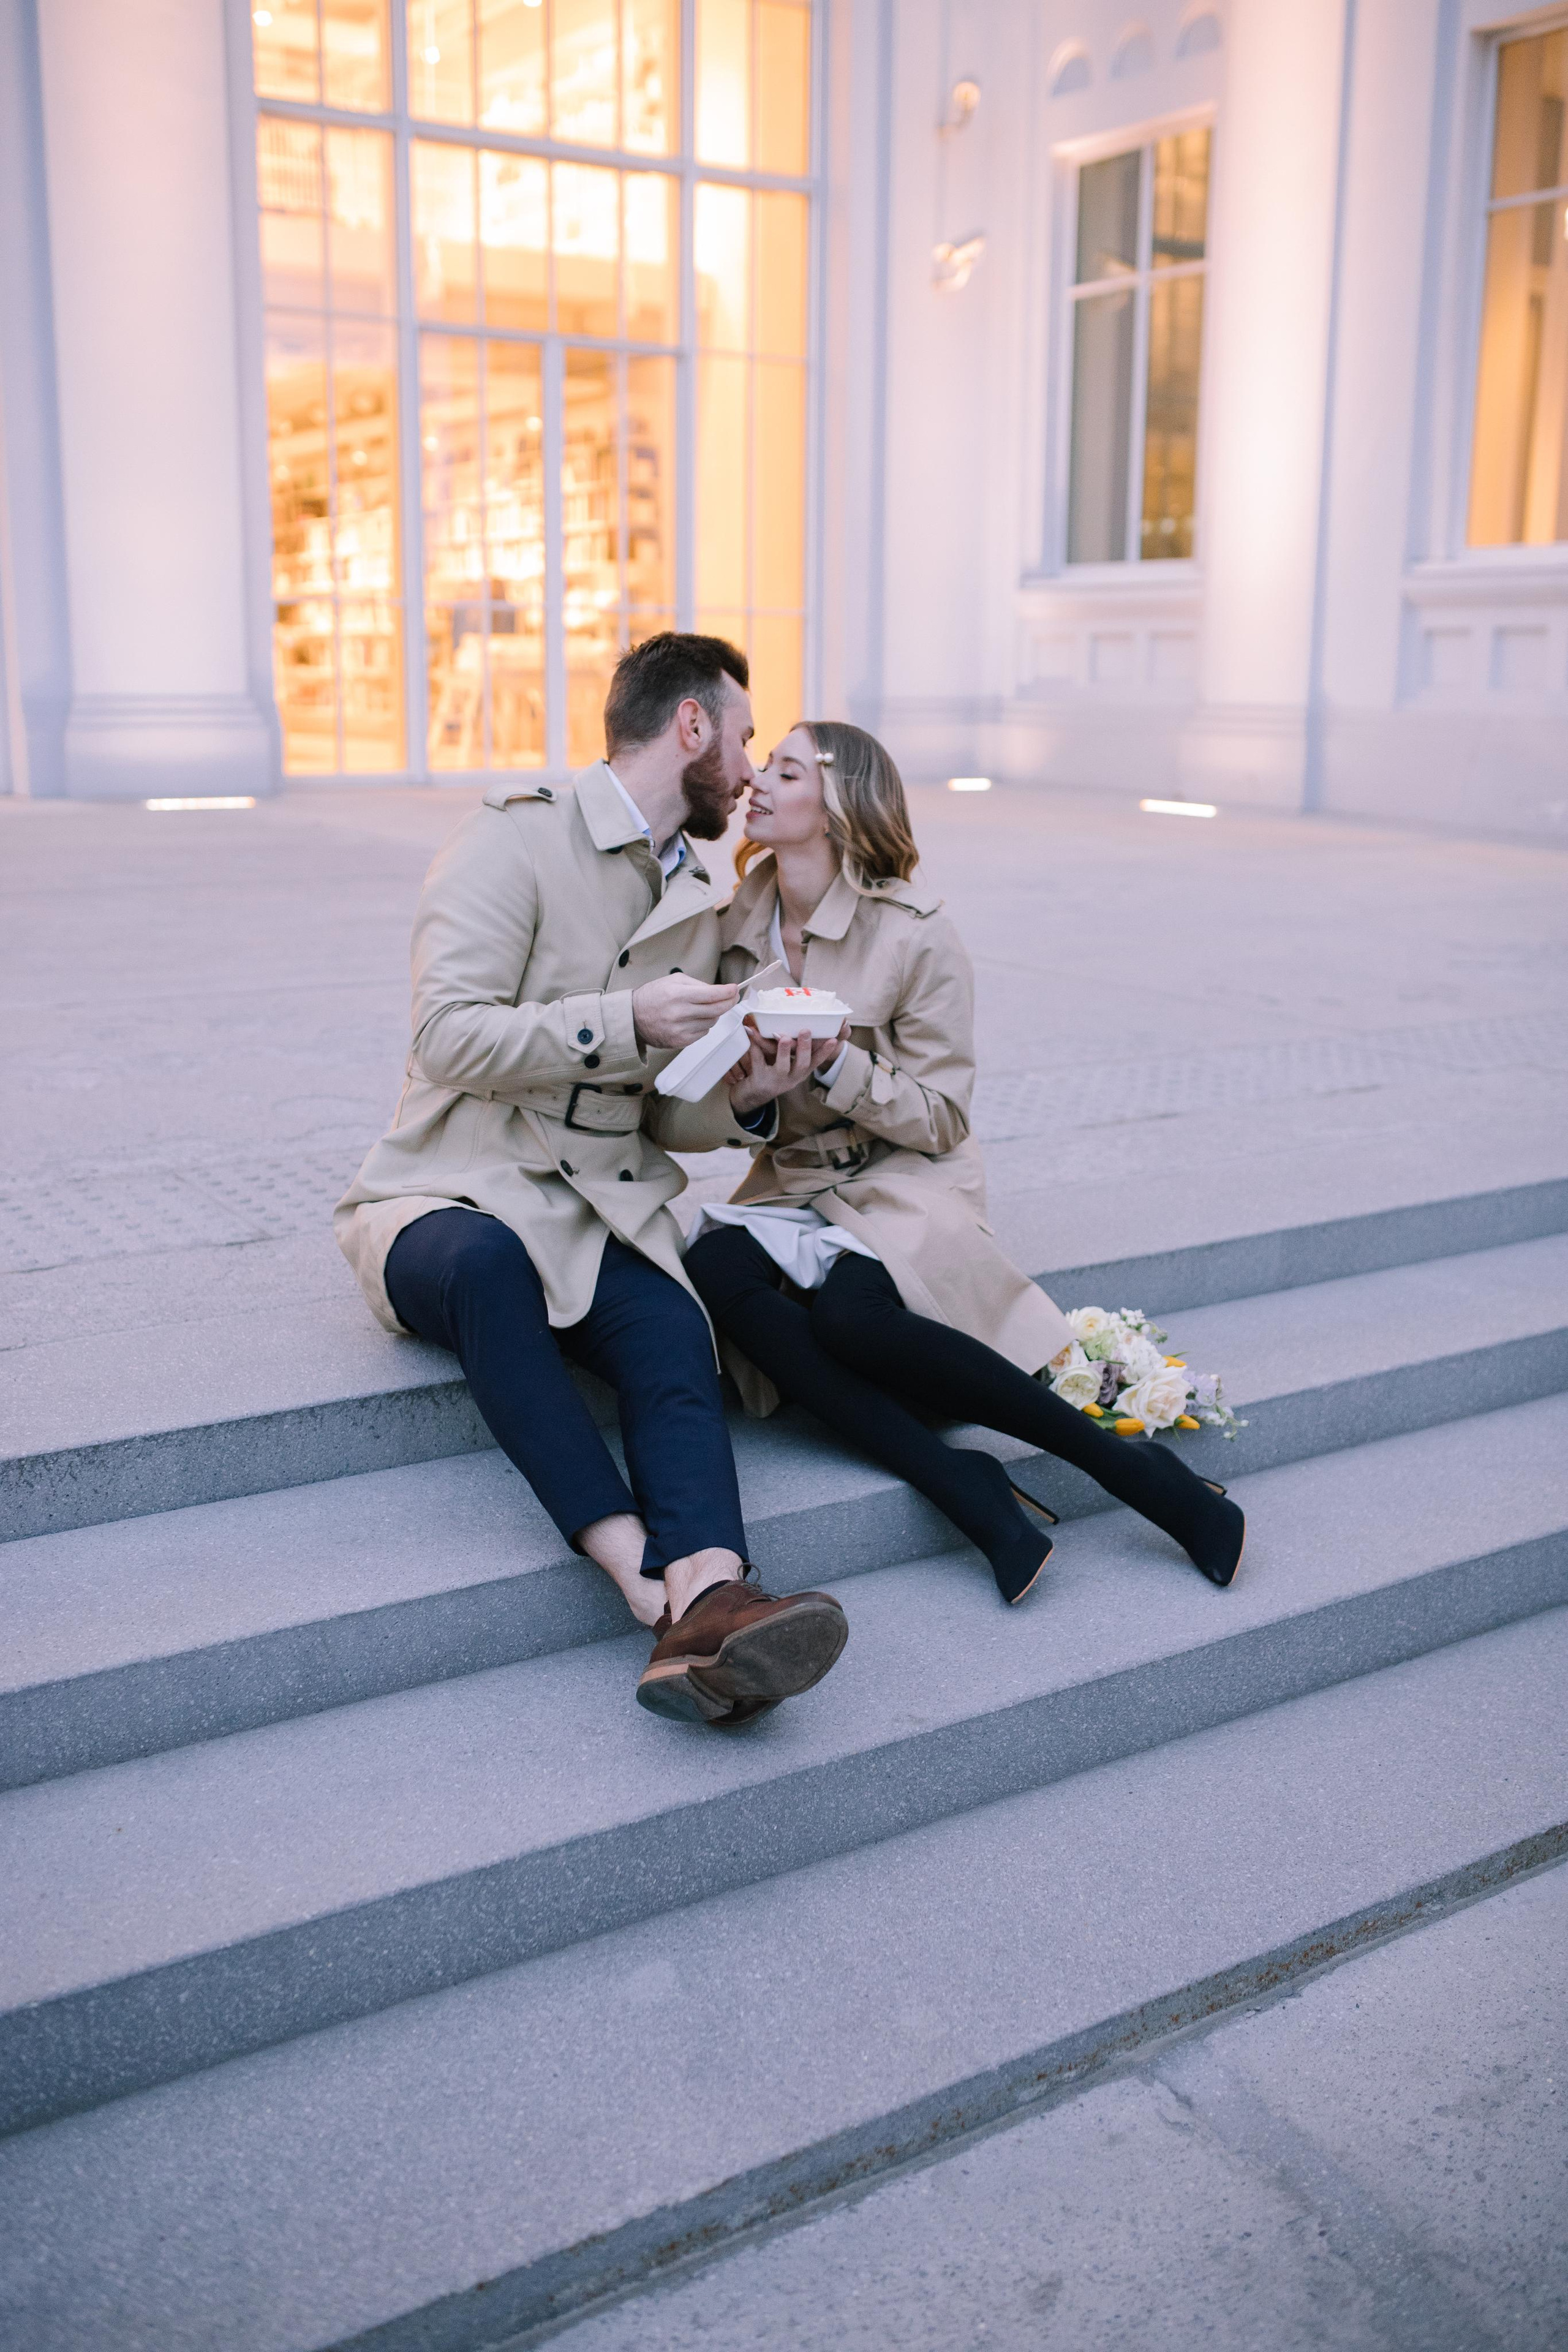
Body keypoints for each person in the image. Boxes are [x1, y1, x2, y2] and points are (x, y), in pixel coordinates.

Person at [334, 636, 850, 1725]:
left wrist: (751, 1093)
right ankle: (650, 1591)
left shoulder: (697, 891)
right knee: (488, 1267)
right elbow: (446, 1037)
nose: (750, 770)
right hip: (447, 1187)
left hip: (591, 1202)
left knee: (670, 1327)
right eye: (744, 737)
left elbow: (661, 1112)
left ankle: (716, 1596)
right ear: (691, 726)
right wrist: (626, 1019)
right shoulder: (512, 837)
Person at [686, 721, 1246, 1605]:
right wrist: (751, 1101)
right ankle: (961, 1477)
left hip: (906, 1179)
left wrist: (834, 1066)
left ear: (836, 806)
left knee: (851, 1320)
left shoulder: (917, 933)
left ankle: (1134, 1473)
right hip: (796, 1181)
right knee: (715, 1266)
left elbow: (942, 1118)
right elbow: (719, 1105)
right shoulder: (731, 930)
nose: (757, 780)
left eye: (786, 772)